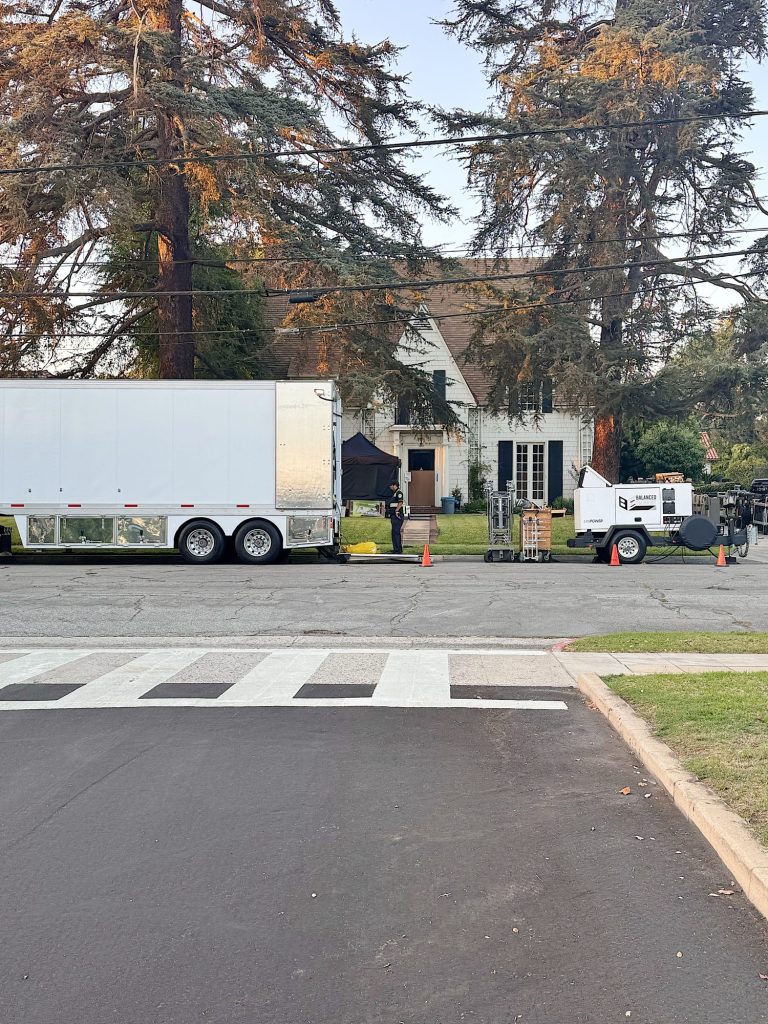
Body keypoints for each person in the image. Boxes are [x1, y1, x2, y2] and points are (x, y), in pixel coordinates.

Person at [386, 480, 405, 554]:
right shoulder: (395, 493)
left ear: (394, 485)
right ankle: (396, 549)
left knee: (396, 532)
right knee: (394, 532)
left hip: (397, 515)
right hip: (394, 515)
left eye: (391, 485)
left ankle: (398, 550)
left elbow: (400, 503)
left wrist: (397, 511)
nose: (390, 487)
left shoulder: (399, 493)